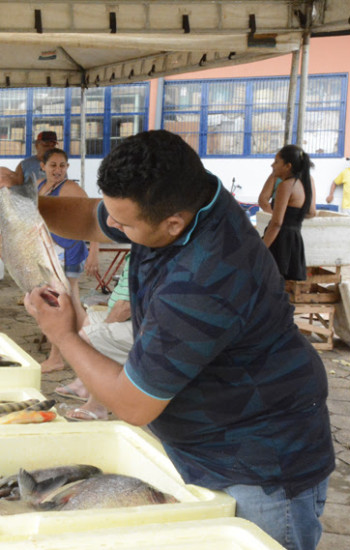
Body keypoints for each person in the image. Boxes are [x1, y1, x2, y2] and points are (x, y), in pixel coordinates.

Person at [17, 130, 333, 550]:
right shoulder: (188, 194)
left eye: (124, 224)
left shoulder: (205, 278)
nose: (112, 226)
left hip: (259, 467)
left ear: (172, 224)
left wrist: (66, 335)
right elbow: (95, 216)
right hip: (210, 441)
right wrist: (24, 204)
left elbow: (132, 403)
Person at [35, 148, 99, 372]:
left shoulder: (71, 188)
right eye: (53, 165)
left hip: (70, 250)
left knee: (61, 304)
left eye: (62, 165)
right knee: (70, 303)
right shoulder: (41, 186)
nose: (58, 170)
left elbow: (94, 218)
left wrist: (93, 252)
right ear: (42, 166)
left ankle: (57, 357)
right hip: (50, 252)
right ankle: (92, 347)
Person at [55, 253, 132, 421]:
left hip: (147, 326)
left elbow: (126, 308)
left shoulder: (147, 256)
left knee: (90, 337)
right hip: (135, 320)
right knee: (90, 320)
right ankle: (83, 384)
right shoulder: (140, 251)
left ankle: (98, 406)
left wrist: (104, 327)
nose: (112, 225)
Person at [262, 145, 315, 280]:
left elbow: (277, 223)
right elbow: (310, 212)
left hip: (280, 242)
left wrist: (262, 249)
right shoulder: (303, 184)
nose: (272, 165)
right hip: (294, 239)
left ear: (288, 166)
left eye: (276, 161)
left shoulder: (286, 185)